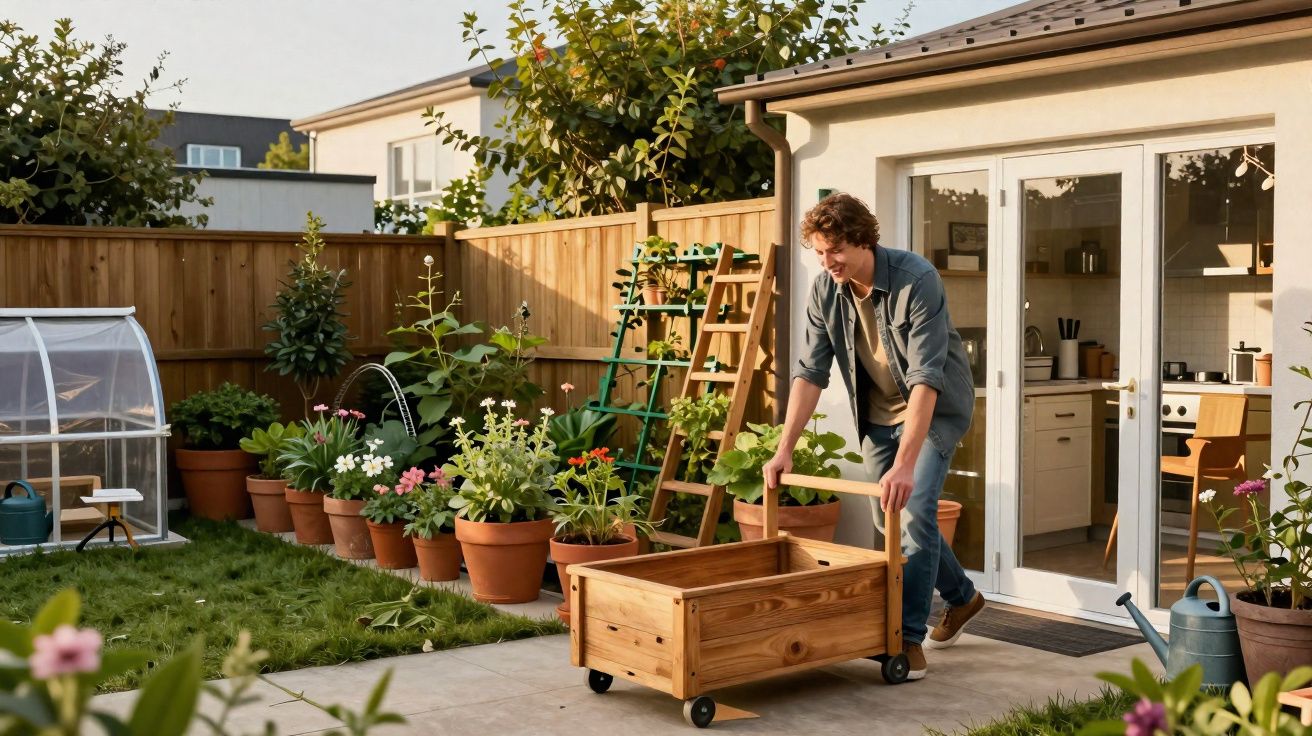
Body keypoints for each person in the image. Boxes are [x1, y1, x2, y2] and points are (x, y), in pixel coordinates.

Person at [762, 193, 986, 680]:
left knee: (914, 511)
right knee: (890, 521)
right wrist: (784, 449)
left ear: (864, 240)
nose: (828, 262)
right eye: (820, 253)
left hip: (934, 409)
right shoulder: (825, 290)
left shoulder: (916, 279)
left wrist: (905, 464)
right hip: (877, 416)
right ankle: (963, 597)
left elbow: (926, 378)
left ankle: (906, 638)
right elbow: (809, 373)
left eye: (836, 250)